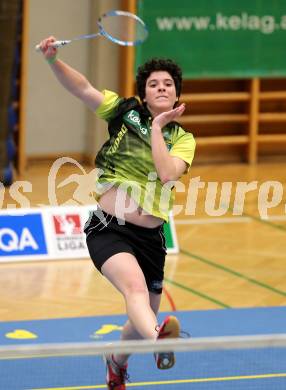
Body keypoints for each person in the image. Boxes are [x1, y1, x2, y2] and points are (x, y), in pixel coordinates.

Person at [39, 36, 196, 389]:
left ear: (176, 94)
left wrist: (157, 128)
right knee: (135, 293)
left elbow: (168, 172)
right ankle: (159, 341)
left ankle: (116, 361)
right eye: (153, 83)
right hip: (110, 227)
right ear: (144, 92)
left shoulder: (183, 138)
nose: (160, 87)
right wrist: (53, 61)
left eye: (167, 84)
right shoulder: (124, 112)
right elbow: (83, 89)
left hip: (151, 238)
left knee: (141, 318)